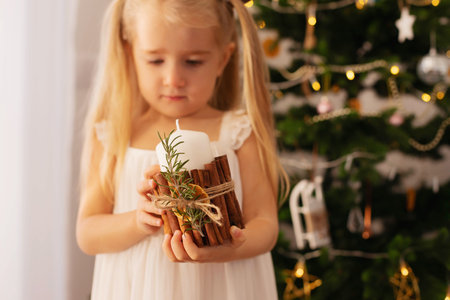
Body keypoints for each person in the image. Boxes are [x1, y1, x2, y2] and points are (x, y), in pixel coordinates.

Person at [76, 0, 288, 299]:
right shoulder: (113, 135)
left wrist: (231, 246)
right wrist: (138, 221)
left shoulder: (238, 132)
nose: (173, 79)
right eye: (155, 60)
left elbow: (265, 226)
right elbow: (88, 234)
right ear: (130, 53)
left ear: (223, 59)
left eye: (193, 61)